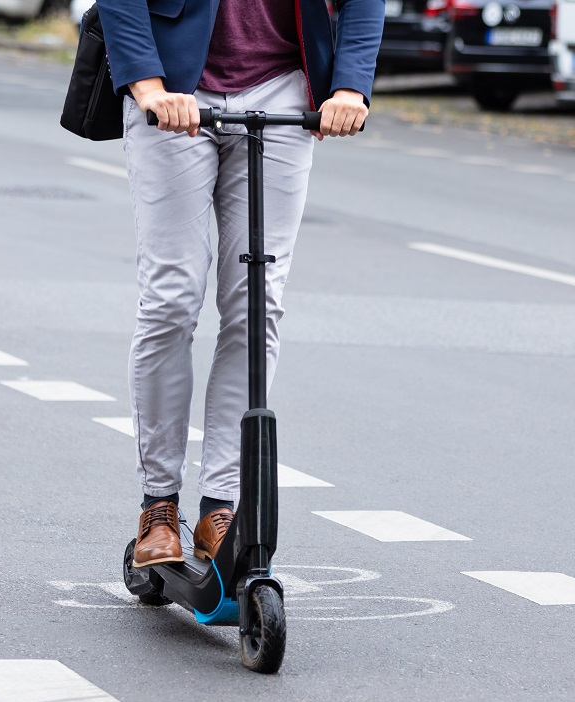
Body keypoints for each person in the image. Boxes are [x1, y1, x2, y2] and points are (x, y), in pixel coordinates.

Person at [96, 0, 384, 567]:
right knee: (172, 299)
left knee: (257, 303)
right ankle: (159, 504)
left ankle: (219, 506)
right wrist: (148, 87)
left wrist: (351, 85)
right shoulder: (162, 89)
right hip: (177, 87)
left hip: (281, 83)